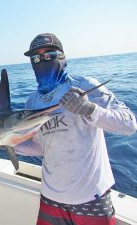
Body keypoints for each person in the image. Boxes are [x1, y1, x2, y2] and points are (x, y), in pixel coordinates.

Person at [15, 33, 137, 225]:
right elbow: (40, 147)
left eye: (48, 55)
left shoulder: (86, 85)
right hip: (50, 197)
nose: (42, 60)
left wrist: (90, 109)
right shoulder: (32, 101)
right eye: (36, 58)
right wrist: (4, 144)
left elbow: (129, 124)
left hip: (91, 198)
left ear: (62, 56)